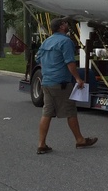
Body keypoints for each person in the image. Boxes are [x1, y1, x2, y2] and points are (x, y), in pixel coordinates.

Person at [36, 17, 98, 154]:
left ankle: (41, 144)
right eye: (65, 23)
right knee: (70, 111)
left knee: (46, 113)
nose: (67, 25)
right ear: (61, 26)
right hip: (61, 83)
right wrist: (77, 78)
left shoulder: (46, 41)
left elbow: (38, 58)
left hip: (47, 82)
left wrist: (49, 68)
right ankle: (80, 140)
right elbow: (70, 62)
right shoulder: (65, 41)